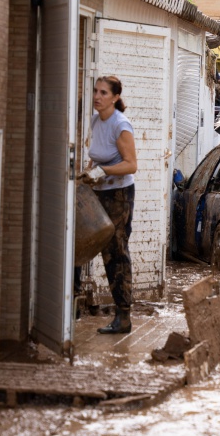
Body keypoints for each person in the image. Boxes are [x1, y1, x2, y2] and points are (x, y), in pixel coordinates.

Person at [80, 76, 138, 335]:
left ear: (115, 97)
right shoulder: (94, 121)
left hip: (119, 195)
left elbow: (131, 164)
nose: (97, 96)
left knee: (115, 253)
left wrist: (103, 172)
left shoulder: (120, 124)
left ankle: (123, 316)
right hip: (98, 193)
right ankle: (71, 303)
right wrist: (90, 170)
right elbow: (97, 156)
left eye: (103, 92)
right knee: (83, 242)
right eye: (95, 91)